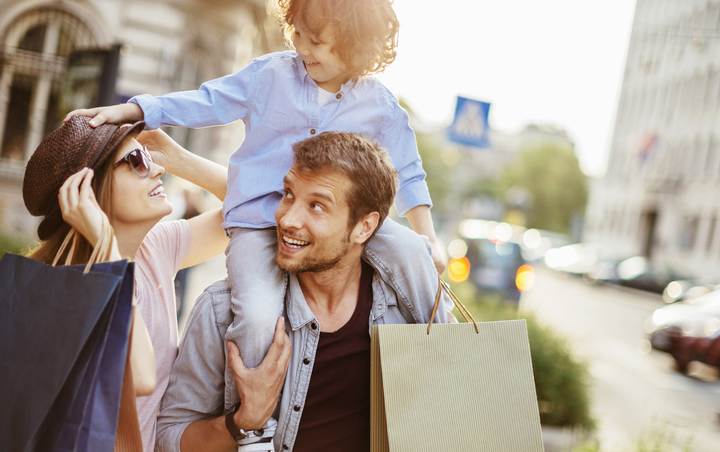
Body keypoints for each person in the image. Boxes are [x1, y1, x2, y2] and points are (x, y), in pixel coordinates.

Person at [65, 0, 447, 436]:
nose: (302, 47)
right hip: (256, 226)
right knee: (259, 316)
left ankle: (449, 360)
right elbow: (208, 101)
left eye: (316, 41)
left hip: (334, 227)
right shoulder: (271, 76)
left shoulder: (379, 105)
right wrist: (136, 110)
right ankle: (256, 427)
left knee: (412, 251)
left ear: (355, 45)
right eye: (297, 34)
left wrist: (428, 234)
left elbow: (410, 170)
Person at [155, 132, 453, 452]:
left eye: (317, 206)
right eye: (288, 195)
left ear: (364, 227)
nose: (287, 218)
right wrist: (244, 421)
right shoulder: (223, 311)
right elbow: (168, 437)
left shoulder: (407, 315)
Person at [23, 116, 230, 451]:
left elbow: (257, 210)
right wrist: (106, 245)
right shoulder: (72, 284)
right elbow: (142, 376)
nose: (156, 170)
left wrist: (180, 158)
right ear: (88, 189)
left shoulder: (155, 247)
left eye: (146, 157)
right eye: (135, 161)